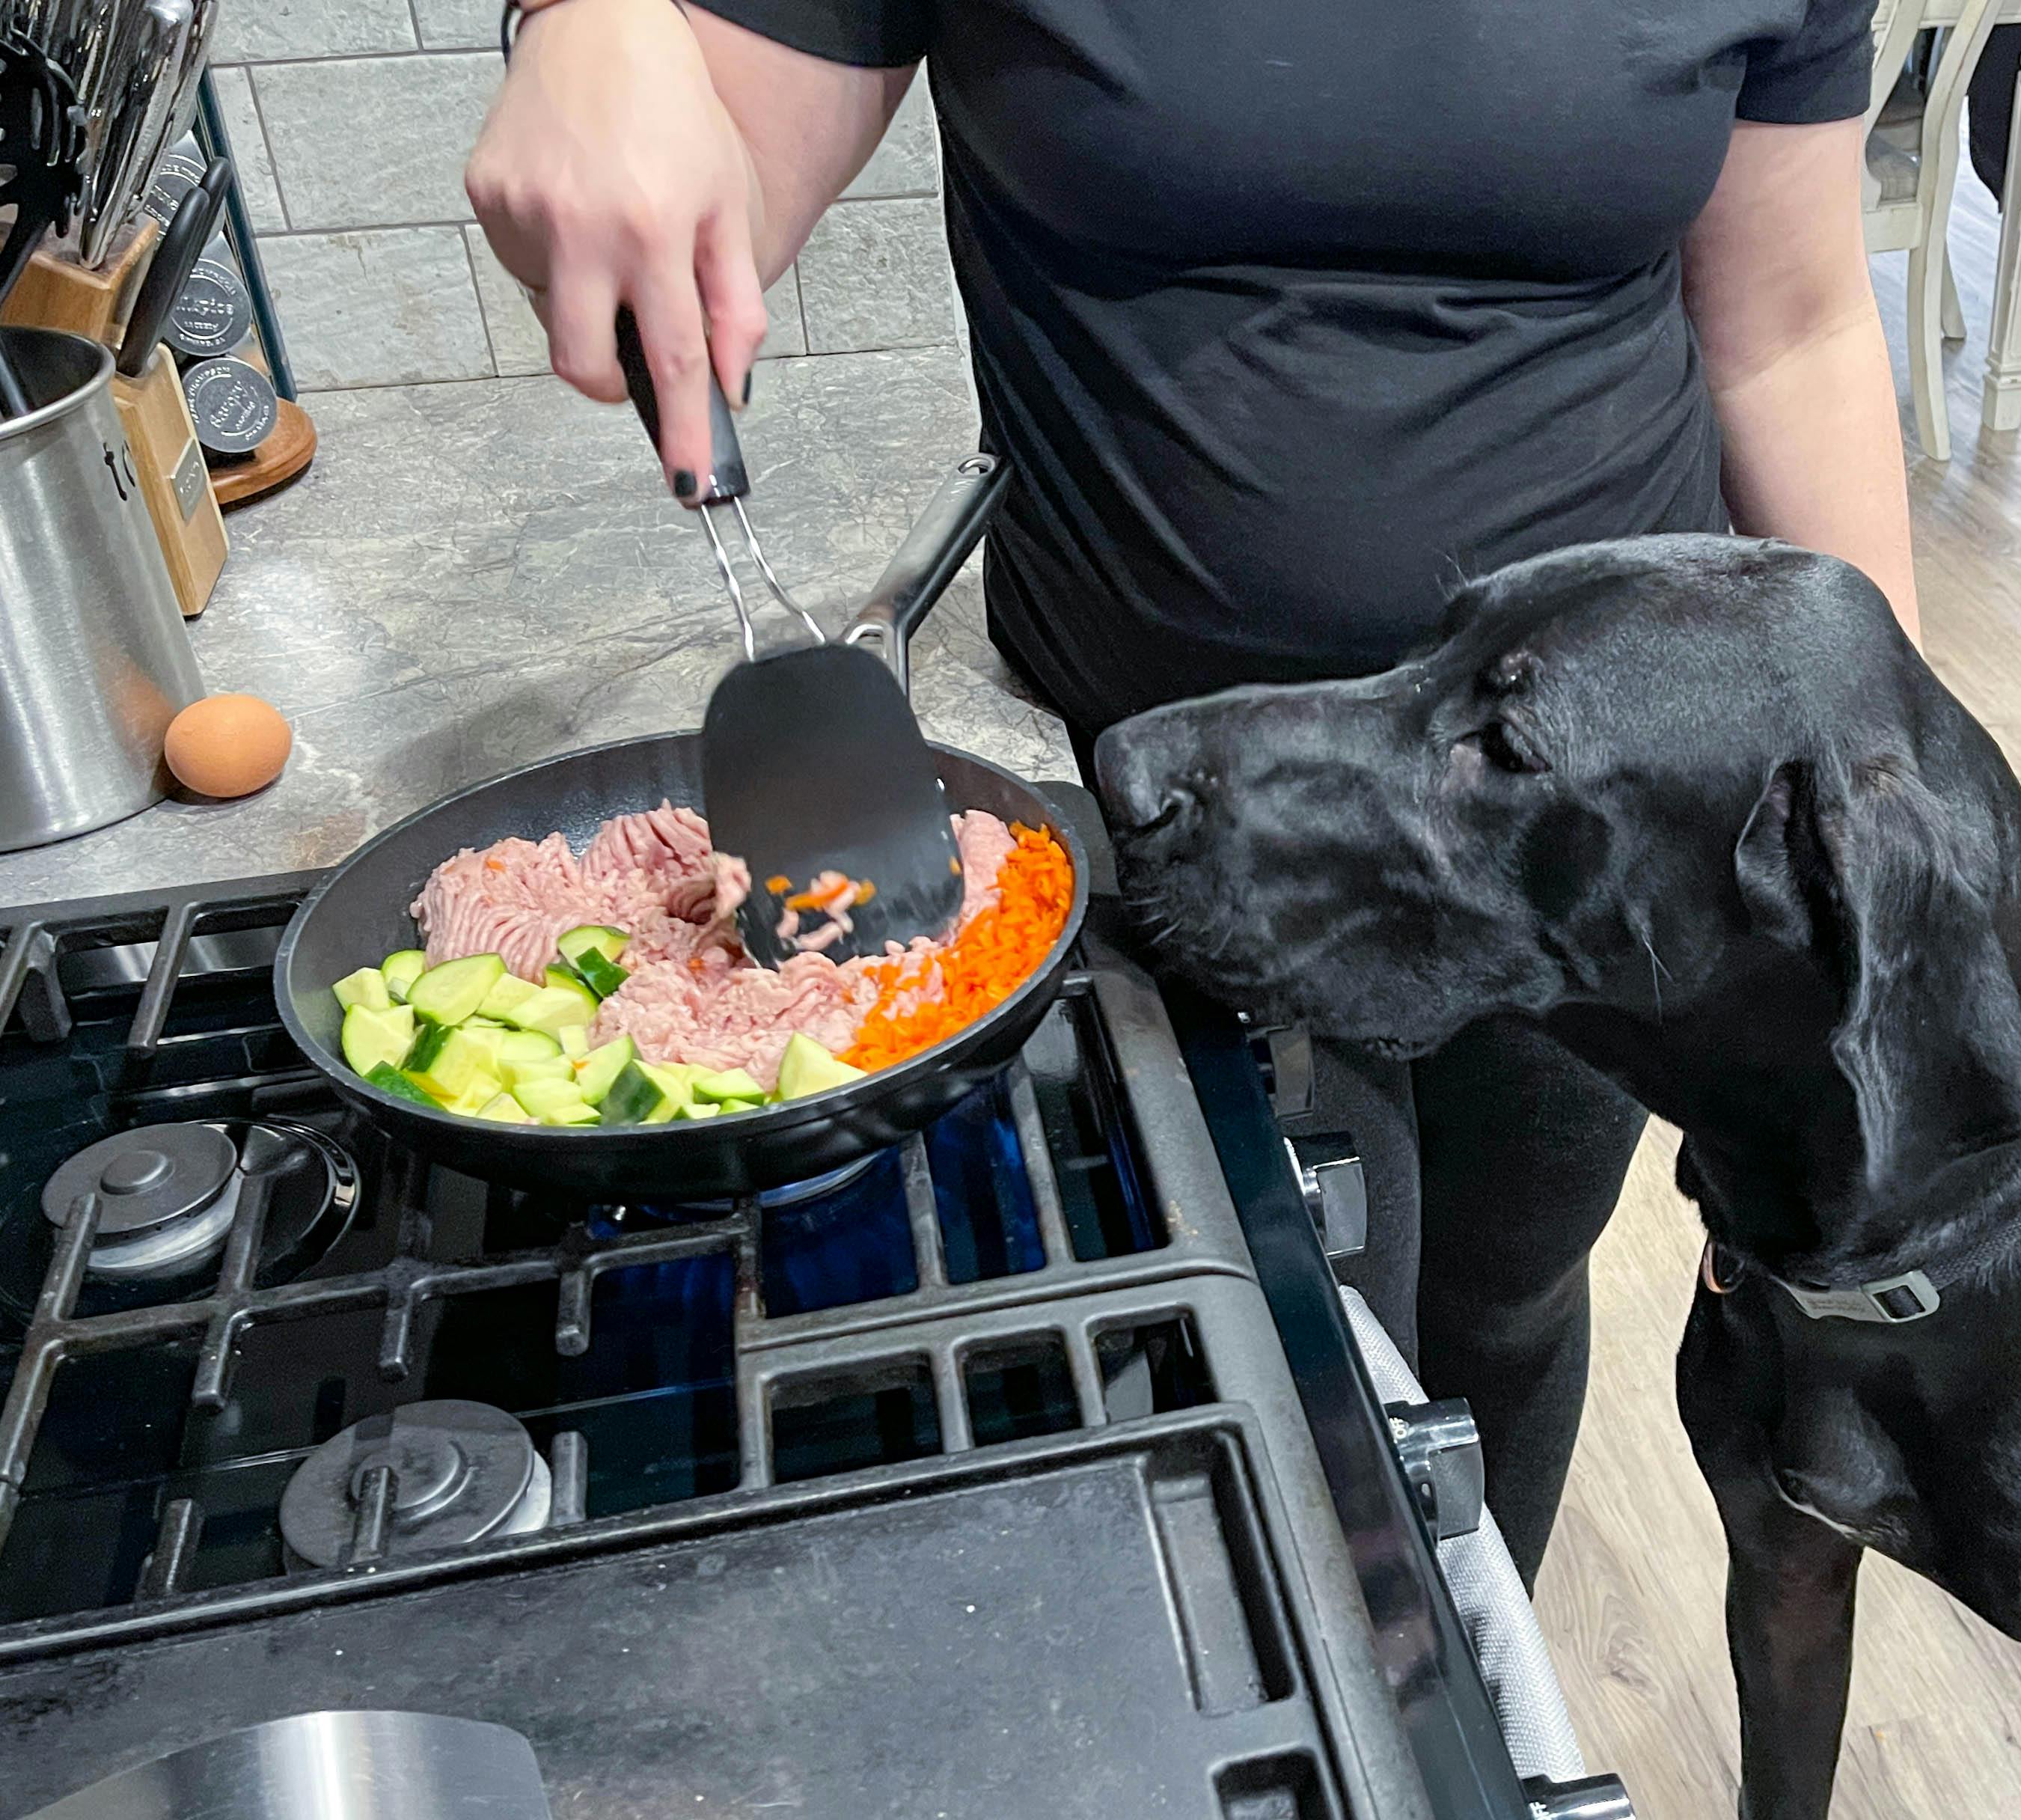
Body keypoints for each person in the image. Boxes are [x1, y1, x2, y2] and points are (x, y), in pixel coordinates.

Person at [468, 0, 1918, 1584]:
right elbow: (683, 220)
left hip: (1582, 825)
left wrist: (1893, 776)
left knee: (1505, 1291)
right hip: (1162, 785)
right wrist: (589, 17)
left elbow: (1792, 332)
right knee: (1272, 1317)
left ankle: (1484, 1749)